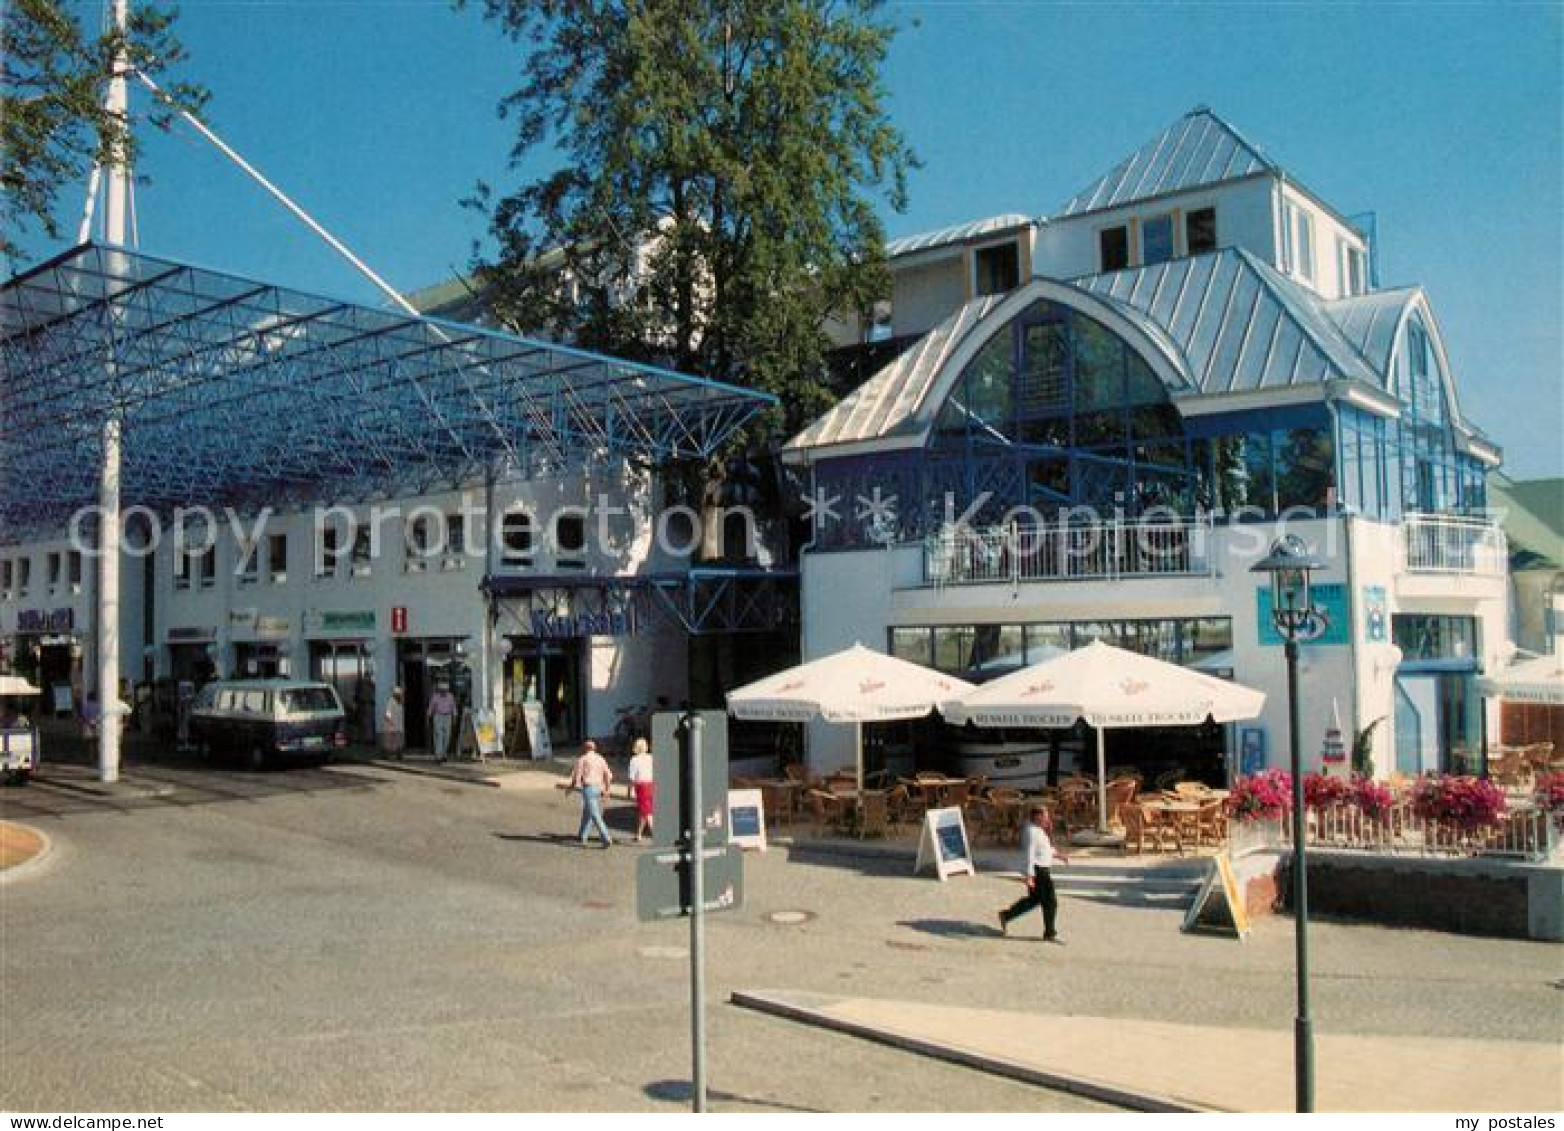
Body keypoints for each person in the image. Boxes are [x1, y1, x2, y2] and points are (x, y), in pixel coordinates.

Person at [998, 805, 1069, 944]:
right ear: (1038, 817)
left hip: (1041, 868)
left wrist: (1058, 855)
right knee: (1050, 902)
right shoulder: (1031, 831)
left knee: (1034, 900)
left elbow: (1045, 848)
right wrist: (1029, 876)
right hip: (1038, 870)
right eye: (1046, 816)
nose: (1048, 819)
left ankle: (1006, 915)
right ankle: (1050, 933)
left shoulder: (1038, 830)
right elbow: (1029, 854)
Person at [568, 739, 614, 848]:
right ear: (594, 748)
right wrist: (607, 789)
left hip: (588, 788)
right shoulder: (600, 758)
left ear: (585, 748)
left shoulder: (582, 759)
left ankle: (605, 837)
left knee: (594, 814)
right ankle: (582, 835)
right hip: (598, 788)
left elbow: (576, 777)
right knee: (588, 811)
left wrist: (570, 787)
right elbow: (608, 775)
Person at [627, 736, 654, 842]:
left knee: (647, 813)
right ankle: (638, 834)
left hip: (642, 787)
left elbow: (632, 777)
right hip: (652, 785)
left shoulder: (634, 760)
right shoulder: (651, 757)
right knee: (644, 811)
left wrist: (629, 791)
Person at [427, 682, 457, 762]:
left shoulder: (450, 696)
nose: (444, 692)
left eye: (445, 690)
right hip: (438, 716)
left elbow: (453, 707)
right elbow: (431, 707)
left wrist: (454, 718)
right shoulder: (435, 696)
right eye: (442, 690)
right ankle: (438, 755)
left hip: (448, 716)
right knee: (438, 735)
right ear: (439, 690)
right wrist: (428, 717)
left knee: (447, 736)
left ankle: (444, 754)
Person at [381, 686, 406, 759]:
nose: (401, 695)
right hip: (392, 724)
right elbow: (388, 713)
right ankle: (386, 755)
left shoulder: (400, 702)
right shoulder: (391, 701)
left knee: (399, 740)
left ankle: (399, 754)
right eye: (399, 694)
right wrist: (390, 722)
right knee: (389, 740)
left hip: (399, 725)